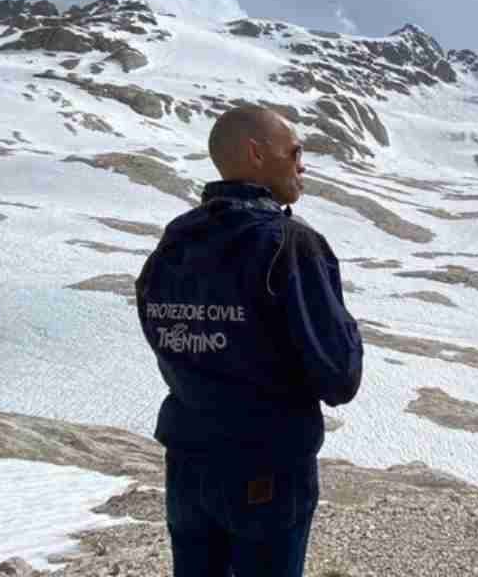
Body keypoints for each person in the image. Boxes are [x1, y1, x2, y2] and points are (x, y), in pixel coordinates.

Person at [135, 105, 363, 577]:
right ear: (258, 154)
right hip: (267, 469)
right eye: (296, 152)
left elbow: (160, 328)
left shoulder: (175, 239)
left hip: (188, 463)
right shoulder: (288, 243)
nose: (303, 164)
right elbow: (339, 378)